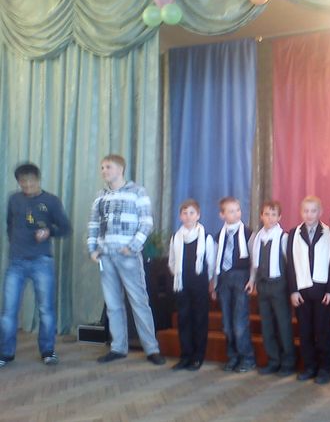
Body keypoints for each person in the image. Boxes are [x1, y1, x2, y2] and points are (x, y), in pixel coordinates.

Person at [87, 154, 165, 366]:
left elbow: (146, 223)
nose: (104, 171)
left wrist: (132, 247)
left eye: (108, 167)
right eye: (102, 167)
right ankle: (118, 347)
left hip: (127, 255)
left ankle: (152, 349)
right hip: (105, 255)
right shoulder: (100, 196)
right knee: (113, 304)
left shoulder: (137, 192)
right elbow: (94, 224)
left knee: (139, 301)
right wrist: (92, 249)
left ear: (120, 169)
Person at [0, 163, 71, 367]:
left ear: (38, 180)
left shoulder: (51, 201)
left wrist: (49, 232)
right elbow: (9, 225)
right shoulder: (14, 199)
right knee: (8, 312)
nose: (27, 185)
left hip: (42, 262)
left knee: (46, 310)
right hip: (16, 262)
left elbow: (66, 228)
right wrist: (16, 244)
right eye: (23, 181)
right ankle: (5, 353)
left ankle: (48, 351)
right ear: (18, 182)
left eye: (31, 181)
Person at [287, 196, 330, 384]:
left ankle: (325, 368)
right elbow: (290, 264)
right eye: (306, 211)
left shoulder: (329, 232)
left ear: (320, 212)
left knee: (323, 330)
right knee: (305, 330)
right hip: (302, 291)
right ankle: (309, 367)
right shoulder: (293, 233)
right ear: (301, 212)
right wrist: (293, 290)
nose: (309, 215)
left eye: (313, 211)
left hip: (321, 290)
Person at [168, 199, 215, 371]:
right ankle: (185, 356)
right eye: (185, 213)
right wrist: (178, 275)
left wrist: (209, 281)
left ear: (198, 215)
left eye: (192, 213)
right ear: (180, 216)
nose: (188, 217)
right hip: (182, 285)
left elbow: (211, 263)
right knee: (184, 319)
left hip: (200, 284)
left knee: (199, 319)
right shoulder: (176, 237)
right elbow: (172, 261)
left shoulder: (206, 237)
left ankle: (198, 357)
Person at [251, 201, 295, 376]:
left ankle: (288, 362)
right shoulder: (257, 238)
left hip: (279, 286)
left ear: (279, 217)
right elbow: (254, 265)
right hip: (263, 286)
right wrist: (253, 281)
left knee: (283, 325)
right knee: (267, 325)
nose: (270, 218)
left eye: (273, 215)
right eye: (267, 214)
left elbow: (290, 265)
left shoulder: (283, 238)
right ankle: (273, 360)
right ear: (261, 216)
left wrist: (291, 289)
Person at [214, 196, 255, 373]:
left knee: (239, 322)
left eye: (238, 210)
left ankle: (247, 357)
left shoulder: (248, 233)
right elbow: (215, 261)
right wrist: (214, 283)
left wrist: (252, 279)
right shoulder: (218, 236)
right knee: (227, 323)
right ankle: (233, 356)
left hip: (241, 277)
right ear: (222, 215)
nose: (236, 214)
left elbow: (254, 260)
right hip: (224, 278)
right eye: (231, 211)